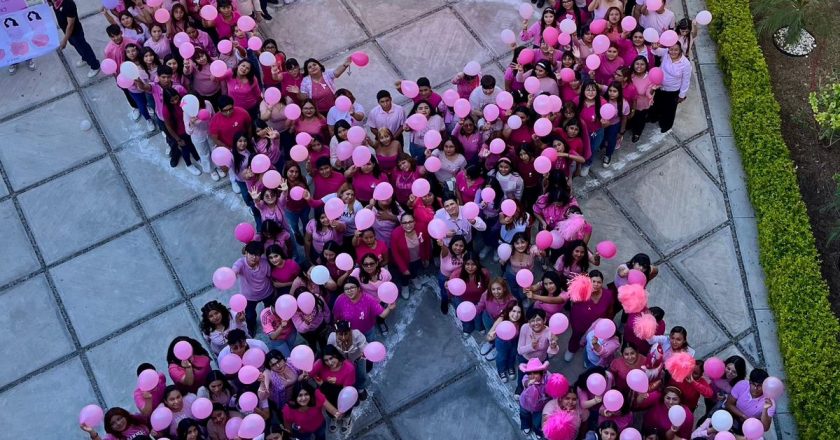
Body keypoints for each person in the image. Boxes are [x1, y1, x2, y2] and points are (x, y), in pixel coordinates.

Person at [232, 241, 274, 335]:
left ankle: (270, 324)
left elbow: (271, 277)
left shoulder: (265, 263)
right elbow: (235, 269)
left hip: (267, 292)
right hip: (249, 297)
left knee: (269, 311)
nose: (254, 257)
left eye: (257, 255)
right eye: (251, 254)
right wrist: (232, 274)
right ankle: (251, 327)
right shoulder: (241, 263)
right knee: (250, 316)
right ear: (246, 253)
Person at [649, 42, 692, 133]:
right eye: (671, 49)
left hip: (673, 91)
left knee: (669, 110)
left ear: (680, 50)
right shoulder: (665, 53)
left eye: (676, 50)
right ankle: (654, 118)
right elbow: (655, 51)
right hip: (660, 86)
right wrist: (654, 47)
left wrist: (682, 95)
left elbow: (686, 80)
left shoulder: (685, 64)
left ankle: (666, 125)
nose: (673, 52)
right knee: (657, 104)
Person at [52, 0, 99, 77]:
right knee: (76, 46)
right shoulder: (53, 1)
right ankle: (85, 58)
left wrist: (64, 40)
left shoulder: (69, 4)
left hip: (75, 32)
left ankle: (95, 66)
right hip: (66, 31)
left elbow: (70, 25)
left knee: (83, 47)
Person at [725, 368, 776, 432]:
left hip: (748, 426)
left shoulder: (770, 401)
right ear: (749, 381)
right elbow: (729, 404)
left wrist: (765, 409)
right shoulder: (741, 385)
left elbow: (765, 428)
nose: (755, 388)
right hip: (731, 414)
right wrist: (743, 416)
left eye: (759, 386)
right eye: (753, 384)